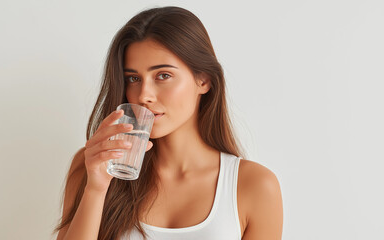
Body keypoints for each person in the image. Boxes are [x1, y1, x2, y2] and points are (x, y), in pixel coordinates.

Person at [54, 6, 283, 240]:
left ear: (203, 80)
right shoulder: (92, 167)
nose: (144, 95)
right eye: (133, 79)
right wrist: (96, 189)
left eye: (163, 75)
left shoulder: (255, 186)